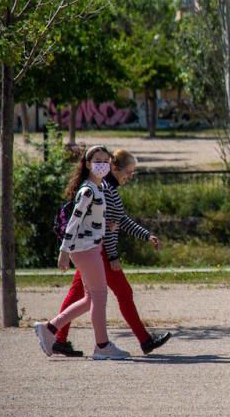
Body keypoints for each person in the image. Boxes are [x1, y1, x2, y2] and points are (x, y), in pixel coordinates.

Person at [49, 149, 171, 357]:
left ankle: (58, 338)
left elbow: (120, 220)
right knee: (121, 293)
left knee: (80, 294)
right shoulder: (102, 189)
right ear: (115, 169)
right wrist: (113, 255)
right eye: (129, 172)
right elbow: (99, 225)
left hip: (95, 251)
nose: (131, 176)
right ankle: (139, 341)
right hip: (98, 252)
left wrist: (145, 235)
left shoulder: (109, 189)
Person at [35, 145, 129, 360]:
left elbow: (89, 221)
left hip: (90, 247)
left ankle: (49, 329)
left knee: (89, 299)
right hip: (85, 249)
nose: (102, 164)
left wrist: (107, 227)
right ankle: (102, 346)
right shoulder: (88, 190)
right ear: (87, 164)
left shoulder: (97, 189)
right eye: (98, 160)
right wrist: (64, 251)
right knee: (99, 296)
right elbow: (74, 221)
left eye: (106, 161)